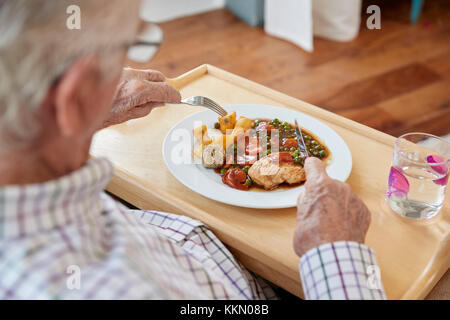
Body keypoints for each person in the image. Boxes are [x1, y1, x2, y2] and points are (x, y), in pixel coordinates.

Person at [0, 0, 385, 299]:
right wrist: (336, 252)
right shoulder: (113, 287)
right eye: (128, 44)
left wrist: (84, 114)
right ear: (74, 96)